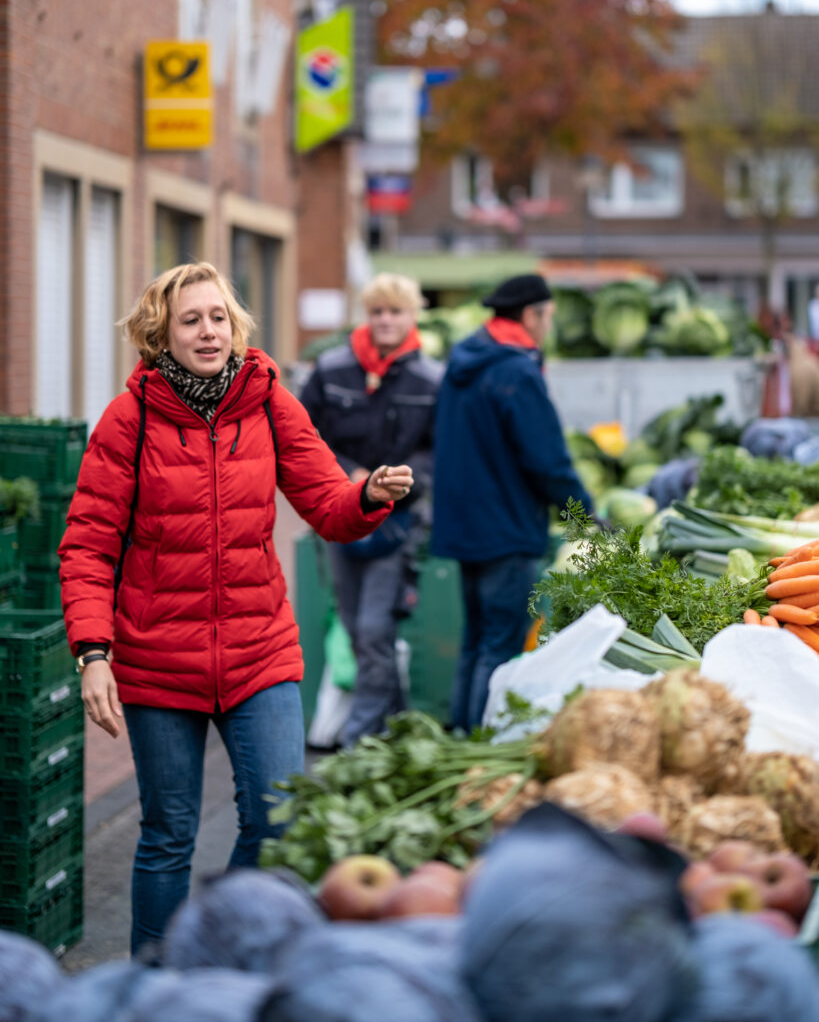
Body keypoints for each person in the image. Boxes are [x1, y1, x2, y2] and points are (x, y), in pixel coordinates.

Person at [57, 262, 413, 956]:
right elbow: (88, 544)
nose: (208, 331)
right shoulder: (130, 419)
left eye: (218, 317)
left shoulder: (268, 398)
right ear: (162, 334)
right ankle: (153, 981)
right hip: (158, 658)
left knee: (278, 818)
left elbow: (326, 502)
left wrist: (366, 495)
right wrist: (93, 653)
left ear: (235, 325)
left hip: (258, 649)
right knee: (168, 834)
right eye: (191, 320)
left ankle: (216, 952)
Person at [431, 273, 593, 734]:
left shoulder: (463, 364)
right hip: (506, 531)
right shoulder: (516, 371)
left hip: (464, 529)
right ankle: (480, 750)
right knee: (498, 648)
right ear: (530, 315)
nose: (548, 328)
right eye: (548, 318)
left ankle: (460, 741)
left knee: (476, 642)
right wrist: (583, 515)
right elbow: (547, 460)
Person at [299, 273, 442, 747]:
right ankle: (398, 727)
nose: (385, 320)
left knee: (373, 629)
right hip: (340, 516)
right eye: (377, 311)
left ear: (411, 316)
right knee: (361, 634)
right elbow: (302, 436)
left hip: (397, 523)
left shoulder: (432, 380)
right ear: (366, 315)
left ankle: (356, 743)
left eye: (395, 311)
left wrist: (398, 482)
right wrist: (348, 474)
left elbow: (437, 452)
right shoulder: (331, 370)